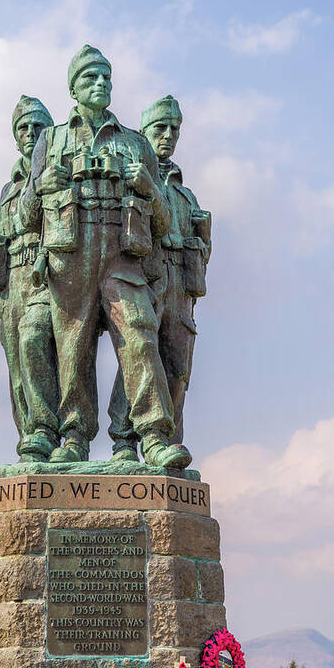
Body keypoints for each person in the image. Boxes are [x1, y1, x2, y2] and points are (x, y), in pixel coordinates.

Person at [20, 47, 191, 468]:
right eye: (90, 78)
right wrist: (42, 184)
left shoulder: (135, 142)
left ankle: (152, 436)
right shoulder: (52, 139)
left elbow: (165, 222)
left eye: (106, 78)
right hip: (71, 257)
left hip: (121, 257)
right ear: (73, 88)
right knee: (72, 349)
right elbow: (26, 217)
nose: (100, 85)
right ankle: (74, 436)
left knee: (139, 337)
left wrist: (149, 186)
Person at [108, 95, 211, 461]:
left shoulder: (186, 194)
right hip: (145, 279)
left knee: (177, 369)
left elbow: (204, 247)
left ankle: (167, 443)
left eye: (174, 129)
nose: (168, 135)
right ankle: (124, 440)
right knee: (138, 358)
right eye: (160, 128)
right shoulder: (132, 177)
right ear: (144, 132)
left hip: (181, 288)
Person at [0, 95, 60, 462]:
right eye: (23, 128)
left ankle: (48, 430)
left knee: (37, 345)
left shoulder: (56, 172)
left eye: (37, 126)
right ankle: (31, 444)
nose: (30, 133)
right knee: (17, 371)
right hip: (9, 282)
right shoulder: (9, 187)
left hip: (44, 275)